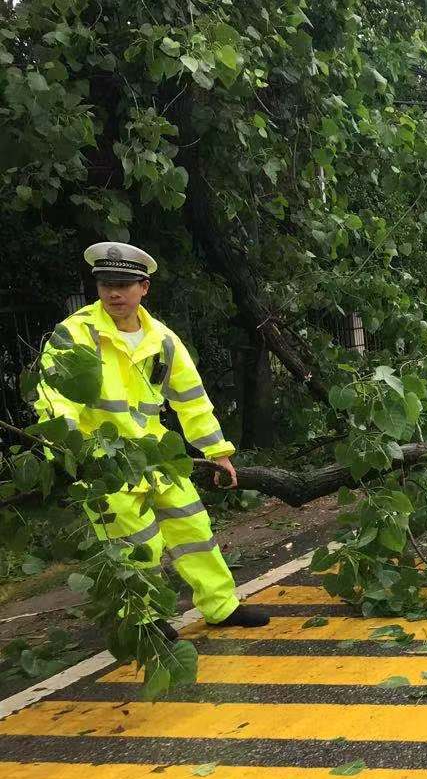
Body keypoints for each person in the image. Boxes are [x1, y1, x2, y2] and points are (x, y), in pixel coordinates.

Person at [36, 242, 271, 639]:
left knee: (194, 527)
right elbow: (53, 402)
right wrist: (71, 454)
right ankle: (142, 621)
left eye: (125, 284)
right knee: (134, 543)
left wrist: (218, 453)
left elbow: (191, 399)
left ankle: (220, 605)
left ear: (144, 287)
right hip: (103, 460)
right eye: (107, 283)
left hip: (155, 454)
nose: (115, 293)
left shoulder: (162, 339)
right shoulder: (74, 334)